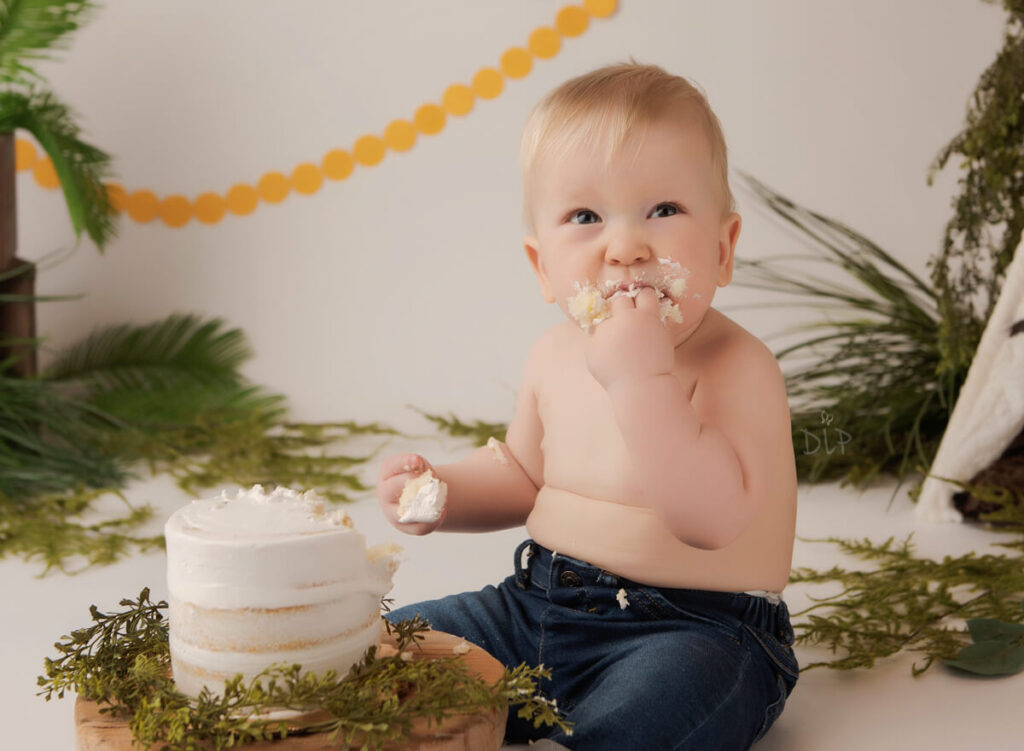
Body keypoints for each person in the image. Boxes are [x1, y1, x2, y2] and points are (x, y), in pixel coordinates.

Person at [378, 61, 799, 750]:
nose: (627, 247)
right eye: (585, 216)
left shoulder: (739, 366)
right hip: (534, 606)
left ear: (723, 250)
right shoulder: (553, 354)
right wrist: (442, 492)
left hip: (695, 630)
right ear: (542, 266)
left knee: (647, 722)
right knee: (381, 651)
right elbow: (522, 472)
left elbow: (710, 518)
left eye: (664, 210)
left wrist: (642, 380)